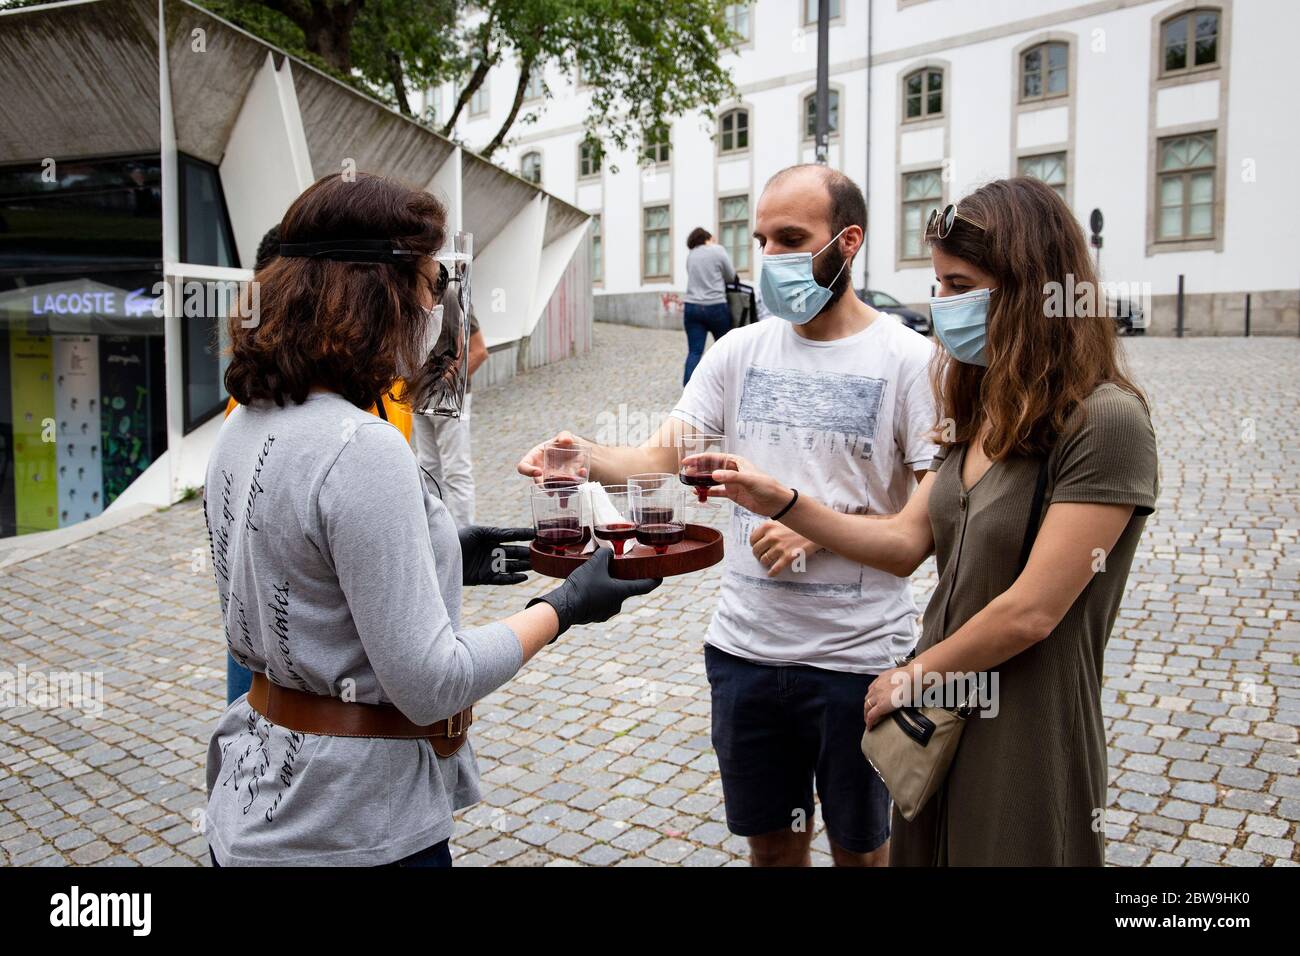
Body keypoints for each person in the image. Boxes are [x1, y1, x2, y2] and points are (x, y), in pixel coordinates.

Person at [696, 177, 1158, 866]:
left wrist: (910, 676)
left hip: (1020, 717)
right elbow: (908, 540)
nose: (941, 307)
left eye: (960, 285)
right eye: (936, 285)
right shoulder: (980, 408)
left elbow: (1032, 610)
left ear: (1031, 289)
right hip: (936, 718)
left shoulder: (1107, 422)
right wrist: (788, 504)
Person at [203, 172, 658, 866]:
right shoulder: (362, 445)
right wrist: (566, 605)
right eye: (425, 282)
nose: (431, 303)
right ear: (374, 293)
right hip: (355, 826)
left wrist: (447, 551)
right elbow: (431, 682)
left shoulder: (244, 425)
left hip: (258, 802)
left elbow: (305, 583)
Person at [518, 165, 938, 867]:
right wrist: (580, 455)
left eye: (792, 239)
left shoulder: (911, 362)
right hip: (745, 655)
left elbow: (913, 543)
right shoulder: (739, 352)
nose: (771, 257)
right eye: (763, 239)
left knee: (862, 856)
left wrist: (813, 528)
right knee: (772, 853)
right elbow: (657, 459)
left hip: (858, 663)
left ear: (849, 241)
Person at [410, 293, 487, 527]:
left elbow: (478, 351)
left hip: (449, 398)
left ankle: (464, 542)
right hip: (418, 397)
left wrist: (443, 385)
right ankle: (437, 534)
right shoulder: (409, 295)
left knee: (456, 472)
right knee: (428, 470)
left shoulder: (453, 297)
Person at [682, 226, 736, 385]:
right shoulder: (718, 250)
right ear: (708, 238)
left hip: (692, 307)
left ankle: (689, 388)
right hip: (715, 306)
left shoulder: (690, 255)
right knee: (725, 348)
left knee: (694, 351)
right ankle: (729, 384)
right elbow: (730, 276)